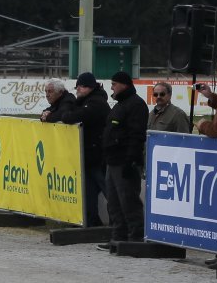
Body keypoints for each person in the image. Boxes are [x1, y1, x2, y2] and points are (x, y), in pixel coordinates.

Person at [101, 71, 149, 247]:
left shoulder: (136, 105)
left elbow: (137, 135)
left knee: (128, 200)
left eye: (114, 84)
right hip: (113, 160)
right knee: (114, 202)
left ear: (124, 85)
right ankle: (118, 236)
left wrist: (131, 160)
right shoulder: (120, 105)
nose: (112, 87)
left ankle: (136, 236)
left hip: (125, 161)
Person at [57, 72, 110, 227]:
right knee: (89, 194)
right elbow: (66, 113)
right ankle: (93, 223)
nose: (78, 89)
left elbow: (70, 117)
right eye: (77, 86)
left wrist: (67, 111)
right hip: (89, 156)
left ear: (90, 87)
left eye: (82, 86)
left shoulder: (96, 103)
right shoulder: (86, 101)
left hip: (98, 156)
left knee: (108, 191)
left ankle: (119, 224)